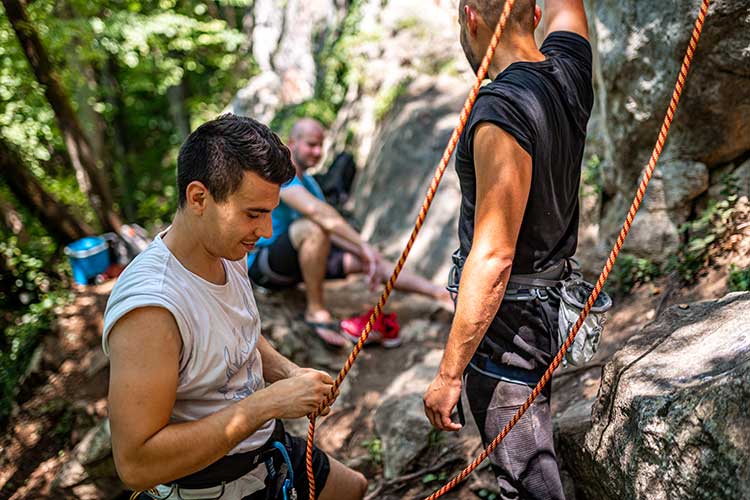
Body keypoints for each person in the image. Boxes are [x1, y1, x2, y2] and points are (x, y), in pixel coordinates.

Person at [103, 114, 368, 499]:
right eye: (253, 213)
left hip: (263, 451)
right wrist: (267, 404)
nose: (267, 232)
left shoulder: (227, 251)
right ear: (199, 198)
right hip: (209, 484)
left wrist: (288, 373)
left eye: (270, 211)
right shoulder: (152, 310)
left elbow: (238, 332)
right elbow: (136, 464)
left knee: (352, 489)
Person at [422, 1, 593, 499]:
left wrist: (449, 374)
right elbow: (570, 8)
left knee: (529, 483)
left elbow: (494, 258)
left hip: (508, 336)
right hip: (550, 310)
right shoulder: (568, 72)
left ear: (472, 18)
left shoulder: (500, 112)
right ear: (533, 15)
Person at [247, 118, 452, 347]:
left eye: (320, 146)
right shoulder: (280, 176)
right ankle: (316, 311)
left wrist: (366, 253)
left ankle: (439, 294)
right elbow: (317, 214)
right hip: (264, 266)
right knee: (312, 228)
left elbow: (330, 231)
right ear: (292, 143)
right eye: (311, 144)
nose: (317, 152)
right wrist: (363, 244)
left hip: (298, 259)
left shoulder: (312, 184)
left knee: (367, 258)